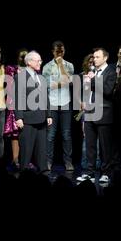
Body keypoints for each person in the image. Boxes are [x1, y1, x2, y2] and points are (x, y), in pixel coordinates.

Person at [77, 48, 116, 183]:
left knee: (105, 146)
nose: (94, 59)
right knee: (90, 146)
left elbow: (108, 91)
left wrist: (93, 81)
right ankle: (89, 172)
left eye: (98, 57)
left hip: (104, 113)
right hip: (90, 112)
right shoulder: (92, 71)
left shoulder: (111, 71)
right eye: (94, 57)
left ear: (105, 58)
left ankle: (106, 172)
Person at [14, 51, 52, 172]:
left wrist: (48, 114)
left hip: (41, 118)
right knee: (26, 149)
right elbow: (18, 97)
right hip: (28, 118)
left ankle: (44, 171)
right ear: (29, 62)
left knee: (42, 149)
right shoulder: (20, 76)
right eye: (38, 60)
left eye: (40, 60)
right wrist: (18, 117)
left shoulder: (40, 77)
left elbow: (46, 96)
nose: (40, 62)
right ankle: (24, 171)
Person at [42, 40, 74, 171]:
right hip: (52, 103)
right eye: (57, 51)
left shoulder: (69, 65)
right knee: (50, 135)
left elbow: (69, 81)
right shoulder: (47, 67)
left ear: (64, 51)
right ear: (53, 52)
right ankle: (48, 161)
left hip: (66, 103)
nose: (60, 53)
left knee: (66, 135)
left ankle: (68, 162)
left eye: (62, 51)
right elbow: (46, 86)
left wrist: (61, 66)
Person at [4, 48, 27, 169]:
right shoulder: (11, 69)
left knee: (27, 132)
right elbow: (8, 86)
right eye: (21, 56)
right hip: (14, 102)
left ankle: (26, 159)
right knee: (15, 133)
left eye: (25, 56)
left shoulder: (32, 70)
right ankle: (15, 159)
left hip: (29, 104)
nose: (23, 59)